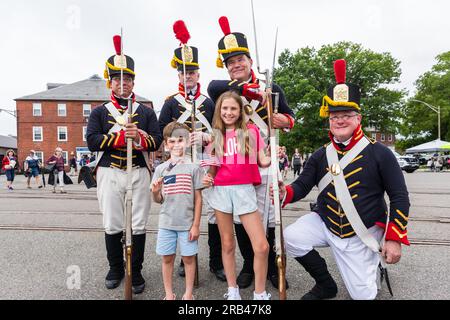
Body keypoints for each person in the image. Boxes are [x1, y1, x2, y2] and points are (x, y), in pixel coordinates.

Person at [273, 59, 410, 300]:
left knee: (363, 296)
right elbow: (303, 184)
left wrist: (394, 238)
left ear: (358, 118)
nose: (340, 120)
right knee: (290, 238)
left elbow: (399, 197)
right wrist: (286, 192)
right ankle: (325, 285)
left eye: (346, 114)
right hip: (327, 223)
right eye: (334, 116)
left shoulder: (380, 152)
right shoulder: (321, 153)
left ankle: (372, 266)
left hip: (361, 232)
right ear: (329, 120)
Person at [207, 16, 295, 290]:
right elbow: (214, 87)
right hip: (236, 167)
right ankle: (248, 265)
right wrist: (252, 93)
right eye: (231, 62)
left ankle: (271, 267)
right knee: (241, 217)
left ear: (249, 60)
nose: (236, 65)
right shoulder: (223, 90)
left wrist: (282, 120)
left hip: (264, 161)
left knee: (268, 218)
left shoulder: (272, 88)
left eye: (240, 60)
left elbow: (291, 118)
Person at [86, 35, 162, 294]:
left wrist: (139, 138)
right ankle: (116, 267)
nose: (123, 83)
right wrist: (119, 137)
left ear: (133, 82)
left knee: (138, 223)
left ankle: (136, 270)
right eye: (118, 78)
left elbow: (156, 140)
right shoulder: (99, 111)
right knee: (113, 223)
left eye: (128, 79)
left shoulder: (146, 111)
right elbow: (93, 140)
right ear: (111, 81)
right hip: (109, 171)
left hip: (139, 171)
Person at [158, 20, 225, 282]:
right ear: (179, 76)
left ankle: (216, 262)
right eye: (184, 73)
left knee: (213, 212)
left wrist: (209, 135)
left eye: (192, 72)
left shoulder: (210, 102)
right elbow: (162, 132)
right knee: (185, 207)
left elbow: (222, 132)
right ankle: (187, 260)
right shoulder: (170, 103)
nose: (188, 76)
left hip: (207, 158)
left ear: (198, 74)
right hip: (181, 162)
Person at [203, 91, 271, 300]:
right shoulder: (216, 135)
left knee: (261, 246)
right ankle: (232, 290)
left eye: (233, 108)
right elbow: (212, 169)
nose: (229, 112)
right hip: (221, 190)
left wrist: (274, 154)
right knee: (227, 243)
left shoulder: (251, 131)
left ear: (241, 111)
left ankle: (259, 293)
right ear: (219, 111)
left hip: (244, 190)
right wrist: (208, 177)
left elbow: (263, 161)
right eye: (225, 108)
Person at [151, 122, 203, 300]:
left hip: (187, 224)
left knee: (189, 259)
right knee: (167, 259)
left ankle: (188, 293)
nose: (176, 145)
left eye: (180, 140)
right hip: (166, 223)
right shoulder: (160, 169)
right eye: (171, 141)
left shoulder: (194, 168)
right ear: (166, 144)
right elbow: (158, 200)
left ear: (187, 142)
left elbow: (198, 198)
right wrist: (156, 192)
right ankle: (169, 293)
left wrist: (196, 225)